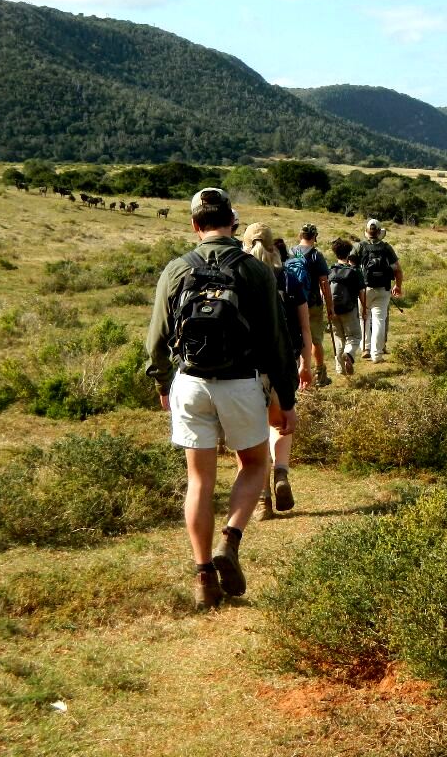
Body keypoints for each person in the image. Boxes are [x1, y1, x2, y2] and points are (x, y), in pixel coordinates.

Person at [145, 188, 298, 610]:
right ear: (233, 222)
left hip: (190, 382)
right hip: (241, 383)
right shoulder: (255, 270)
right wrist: (286, 398)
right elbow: (276, 341)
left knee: (199, 481)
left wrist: (162, 385)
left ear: (195, 225)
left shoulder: (175, 269)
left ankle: (202, 577)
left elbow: (156, 339)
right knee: (253, 464)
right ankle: (230, 540)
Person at [242, 222, 312, 518]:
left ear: (244, 247)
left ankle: (261, 499)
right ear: (275, 247)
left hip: (246, 367)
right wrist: (306, 364)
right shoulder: (289, 279)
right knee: (280, 421)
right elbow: (305, 328)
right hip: (284, 363)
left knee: (250, 433)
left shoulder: (237, 280)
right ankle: (281, 472)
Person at [285, 224, 334, 385]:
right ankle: (320, 374)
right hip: (312, 303)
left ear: (300, 235)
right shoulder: (315, 255)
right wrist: (330, 307)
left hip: (292, 302)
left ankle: (297, 376)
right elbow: (324, 283)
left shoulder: (290, 252)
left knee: (295, 338)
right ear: (315, 237)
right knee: (315, 339)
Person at [356, 218, 403, 362]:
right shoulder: (386, 248)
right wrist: (398, 286)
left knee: (364, 318)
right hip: (383, 289)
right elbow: (397, 269)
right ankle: (377, 354)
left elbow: (352, 267)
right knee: (379, 320)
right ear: (379, 232)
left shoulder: (360, 246)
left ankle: (366, 348)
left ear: (366, 232)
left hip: (365, 288)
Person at [328, 237, 366, 376]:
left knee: (339, 337)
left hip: (334, 309)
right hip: (349, 308)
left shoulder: (330, 270)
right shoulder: (354, 271)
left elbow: (324, 290)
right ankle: (349, 354)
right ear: (349, 253)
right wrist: (364, 308)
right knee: (354, 336)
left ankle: (340, 370)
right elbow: (362, 292)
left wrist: (329, 308)